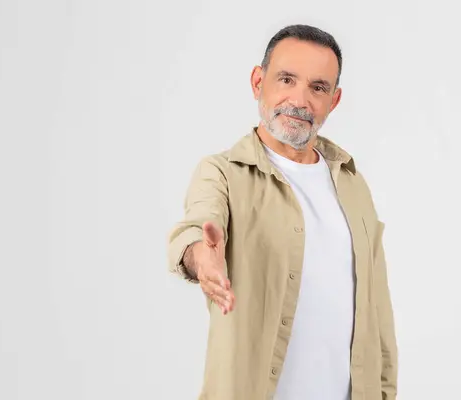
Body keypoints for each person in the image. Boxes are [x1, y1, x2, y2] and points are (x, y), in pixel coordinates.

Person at [167, 24, 398, 400]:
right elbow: (194, 229)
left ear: (334, 100)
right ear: (259, 82)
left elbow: (377, 310)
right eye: (286, 79)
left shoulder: (352, 183)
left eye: (317, 88)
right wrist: (204, 260)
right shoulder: (222, 173)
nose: (300, 99)